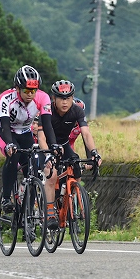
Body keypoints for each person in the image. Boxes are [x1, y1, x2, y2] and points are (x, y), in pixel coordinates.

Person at [0, 65, 59, 216]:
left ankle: (27, 215)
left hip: (25, 132)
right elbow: (4, 124)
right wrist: (9, 144)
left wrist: (53, 144)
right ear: (17, 88)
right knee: (14, 153)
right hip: (5, 131)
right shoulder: (6, 98)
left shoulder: (43, 97)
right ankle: (5, 198)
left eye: (33, 91)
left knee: (33, 171)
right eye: (26, 91)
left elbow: (47, 125)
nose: (30, 94)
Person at [38, 80, 102, 229]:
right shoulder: (47, 110)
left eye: (68, 98)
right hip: (47, 146)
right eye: (61, 98)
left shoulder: (77, 111)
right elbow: (41, 137)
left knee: (76, 167)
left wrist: (94, 153)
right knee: (52, 175)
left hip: (64, 145)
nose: (65, 102)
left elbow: (86, 134)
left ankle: (70, 202)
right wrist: (48, 154)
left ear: (73, 98)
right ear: (54, 98)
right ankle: (49, 213)